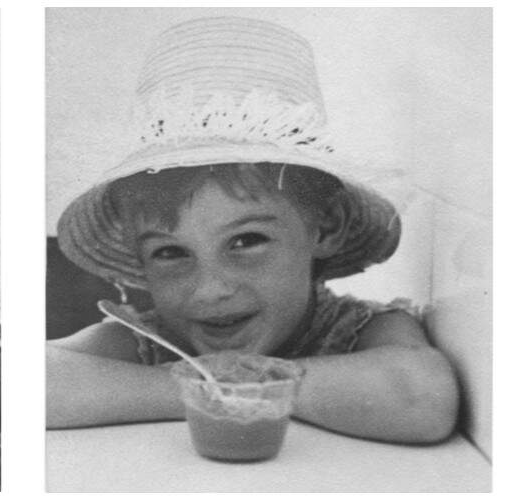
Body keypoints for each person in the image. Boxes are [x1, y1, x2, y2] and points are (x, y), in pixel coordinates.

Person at [46, 17, 459, 444]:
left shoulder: (361, 329)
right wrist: (197, 386)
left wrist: (251, 383)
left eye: (246, 241)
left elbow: (422, 397)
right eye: (171, 252)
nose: (209, 291)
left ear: (326, 227)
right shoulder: (154, 339)